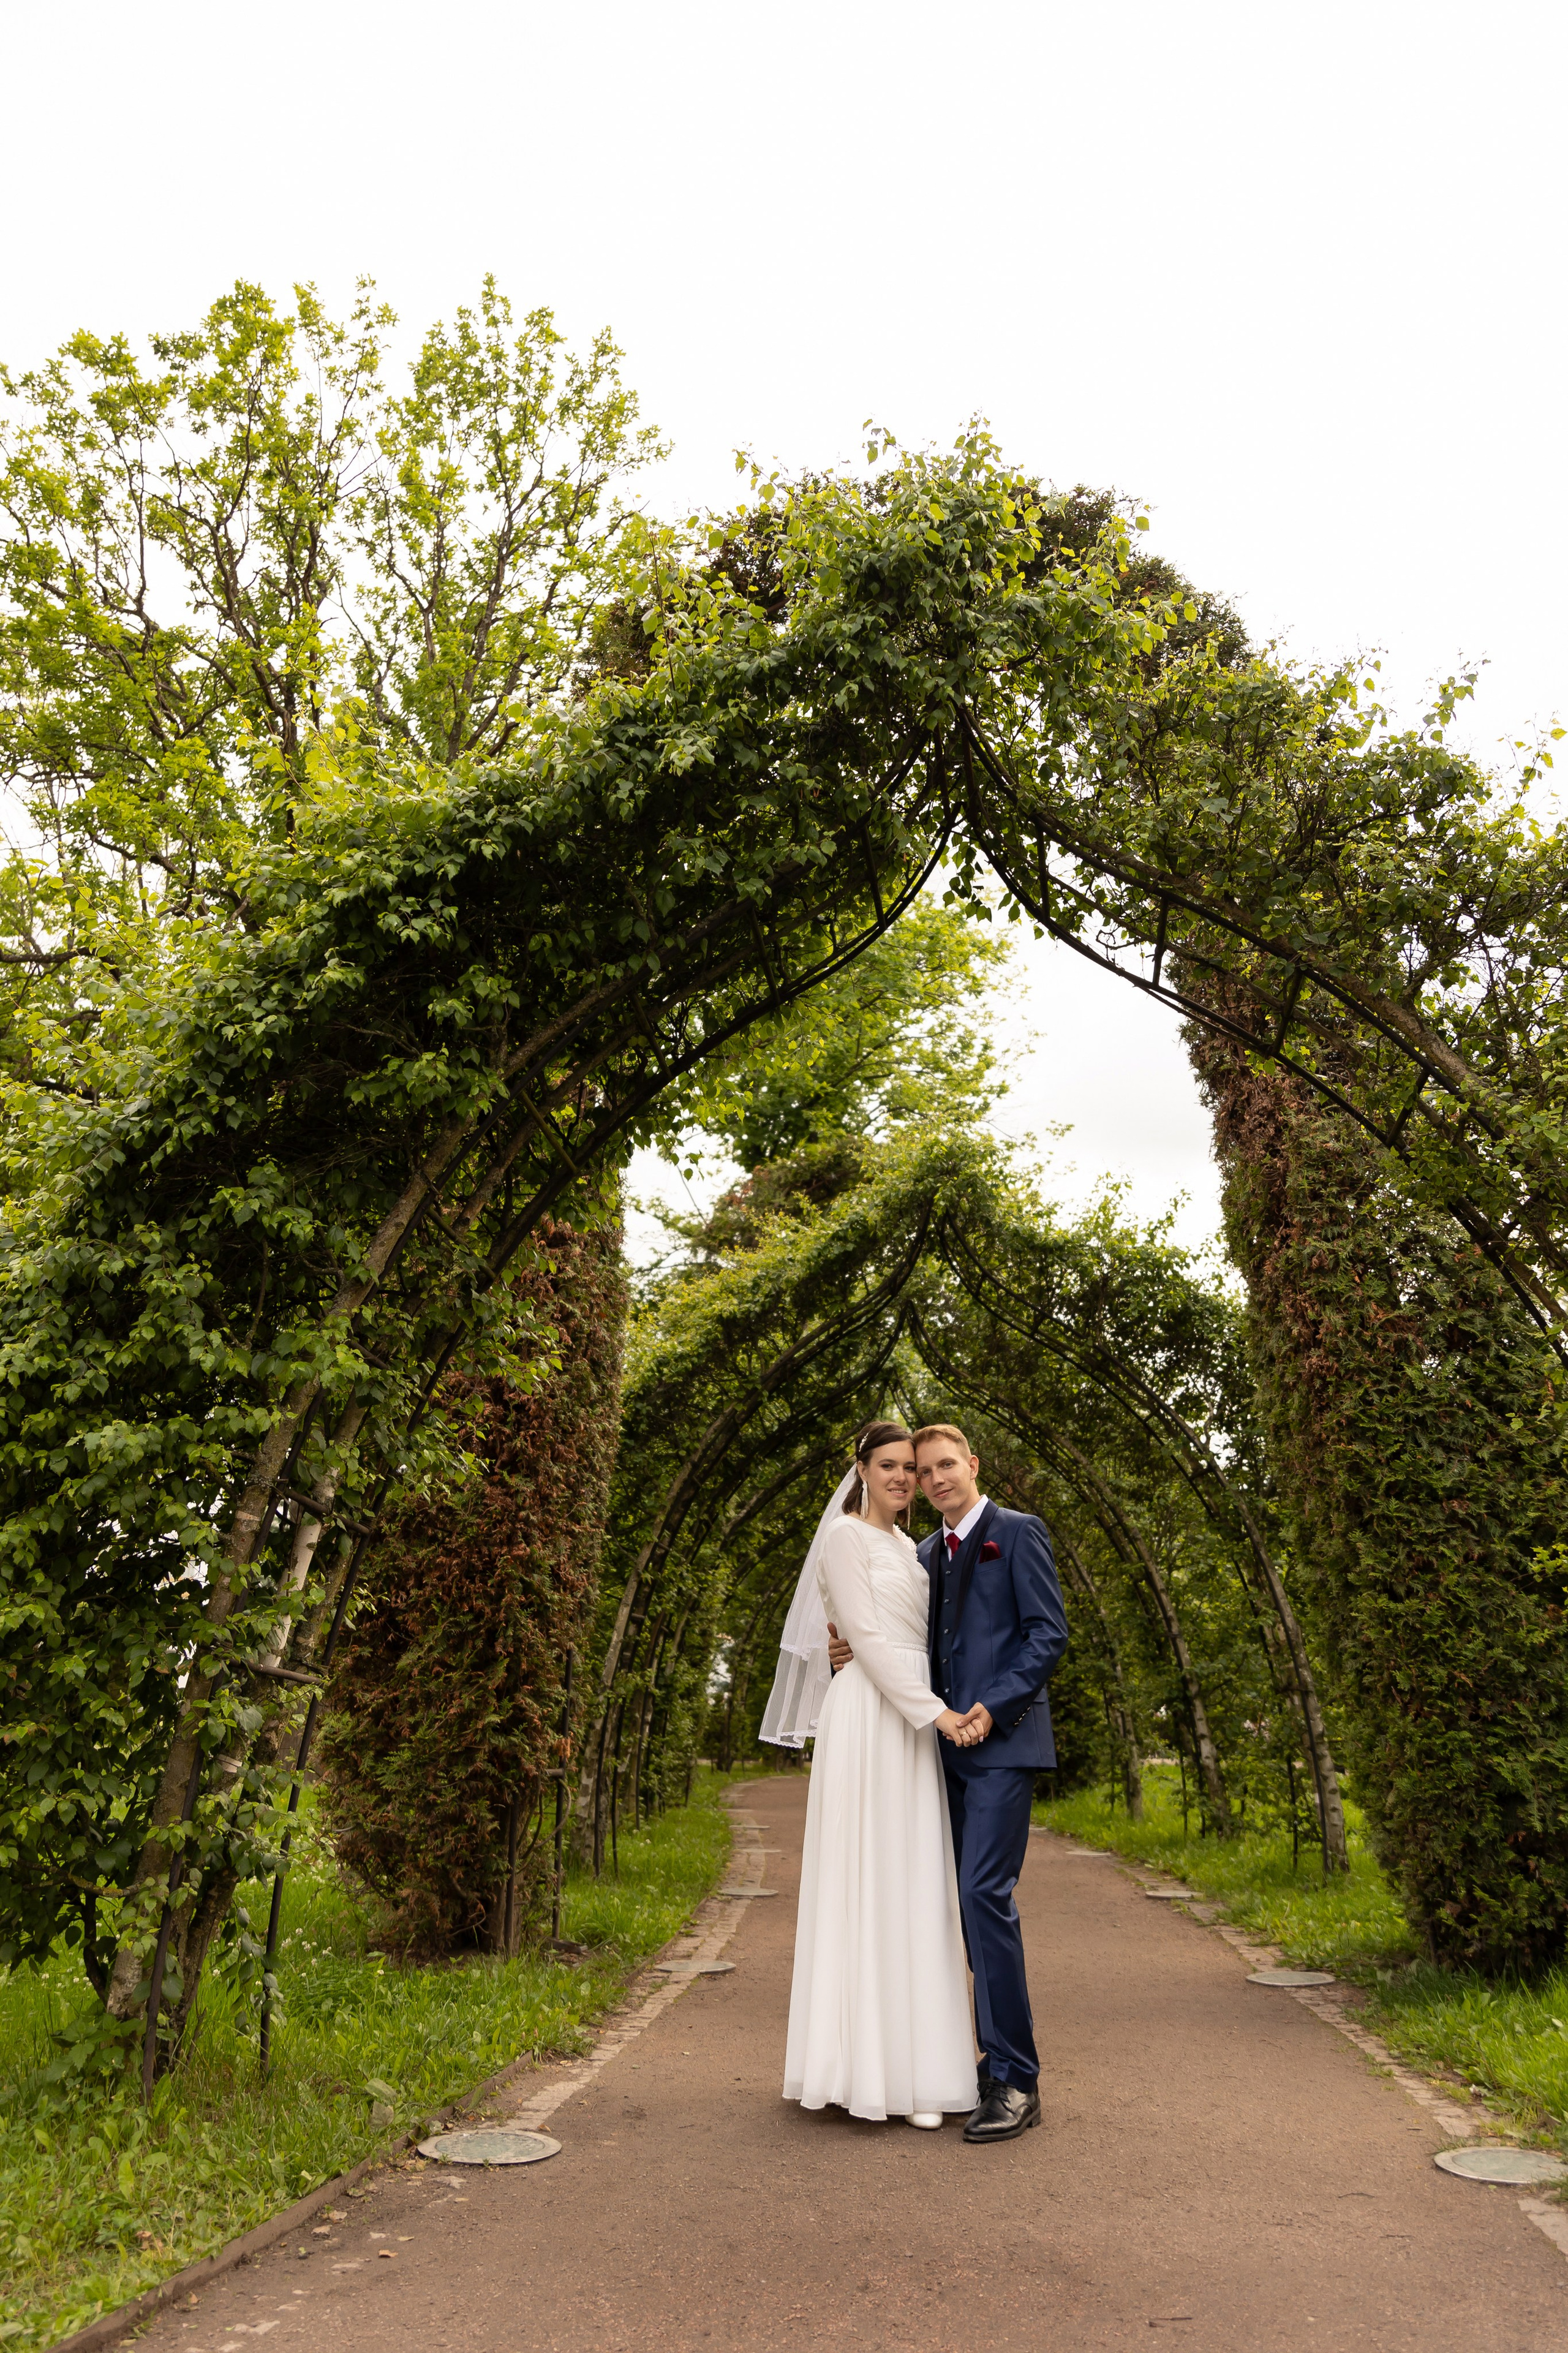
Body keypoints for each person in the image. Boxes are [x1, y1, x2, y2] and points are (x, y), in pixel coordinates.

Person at [827, 1424, 1068, 2145]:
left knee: (981, 1896)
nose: (930, 1478)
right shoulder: (922, 1552)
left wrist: (991, 1710)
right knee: (944, 1905)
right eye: (915, 1469)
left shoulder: (1018, 1532)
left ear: (971, 1465)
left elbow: (1046, 1634)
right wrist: (842, 1652)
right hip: (933, 1754)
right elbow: (896, 1639)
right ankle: (955, 2060)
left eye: (941, 1465)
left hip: (997, 1747)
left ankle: (1015, 2077)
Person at [760, 1421, 984, 2128]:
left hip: (911, 1721)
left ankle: (918, 2073)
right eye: (886, 1464)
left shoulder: (910, 1549)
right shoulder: (844, 1538)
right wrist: (940, 1715)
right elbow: (862, 1640)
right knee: (867, 1880)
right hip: (874, 1716)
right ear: (859, 1469)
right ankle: (859, 2070)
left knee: (915, 1883)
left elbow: (924, 1636)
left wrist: (930, 1712)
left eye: (909, 1468)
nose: (900, 1477)